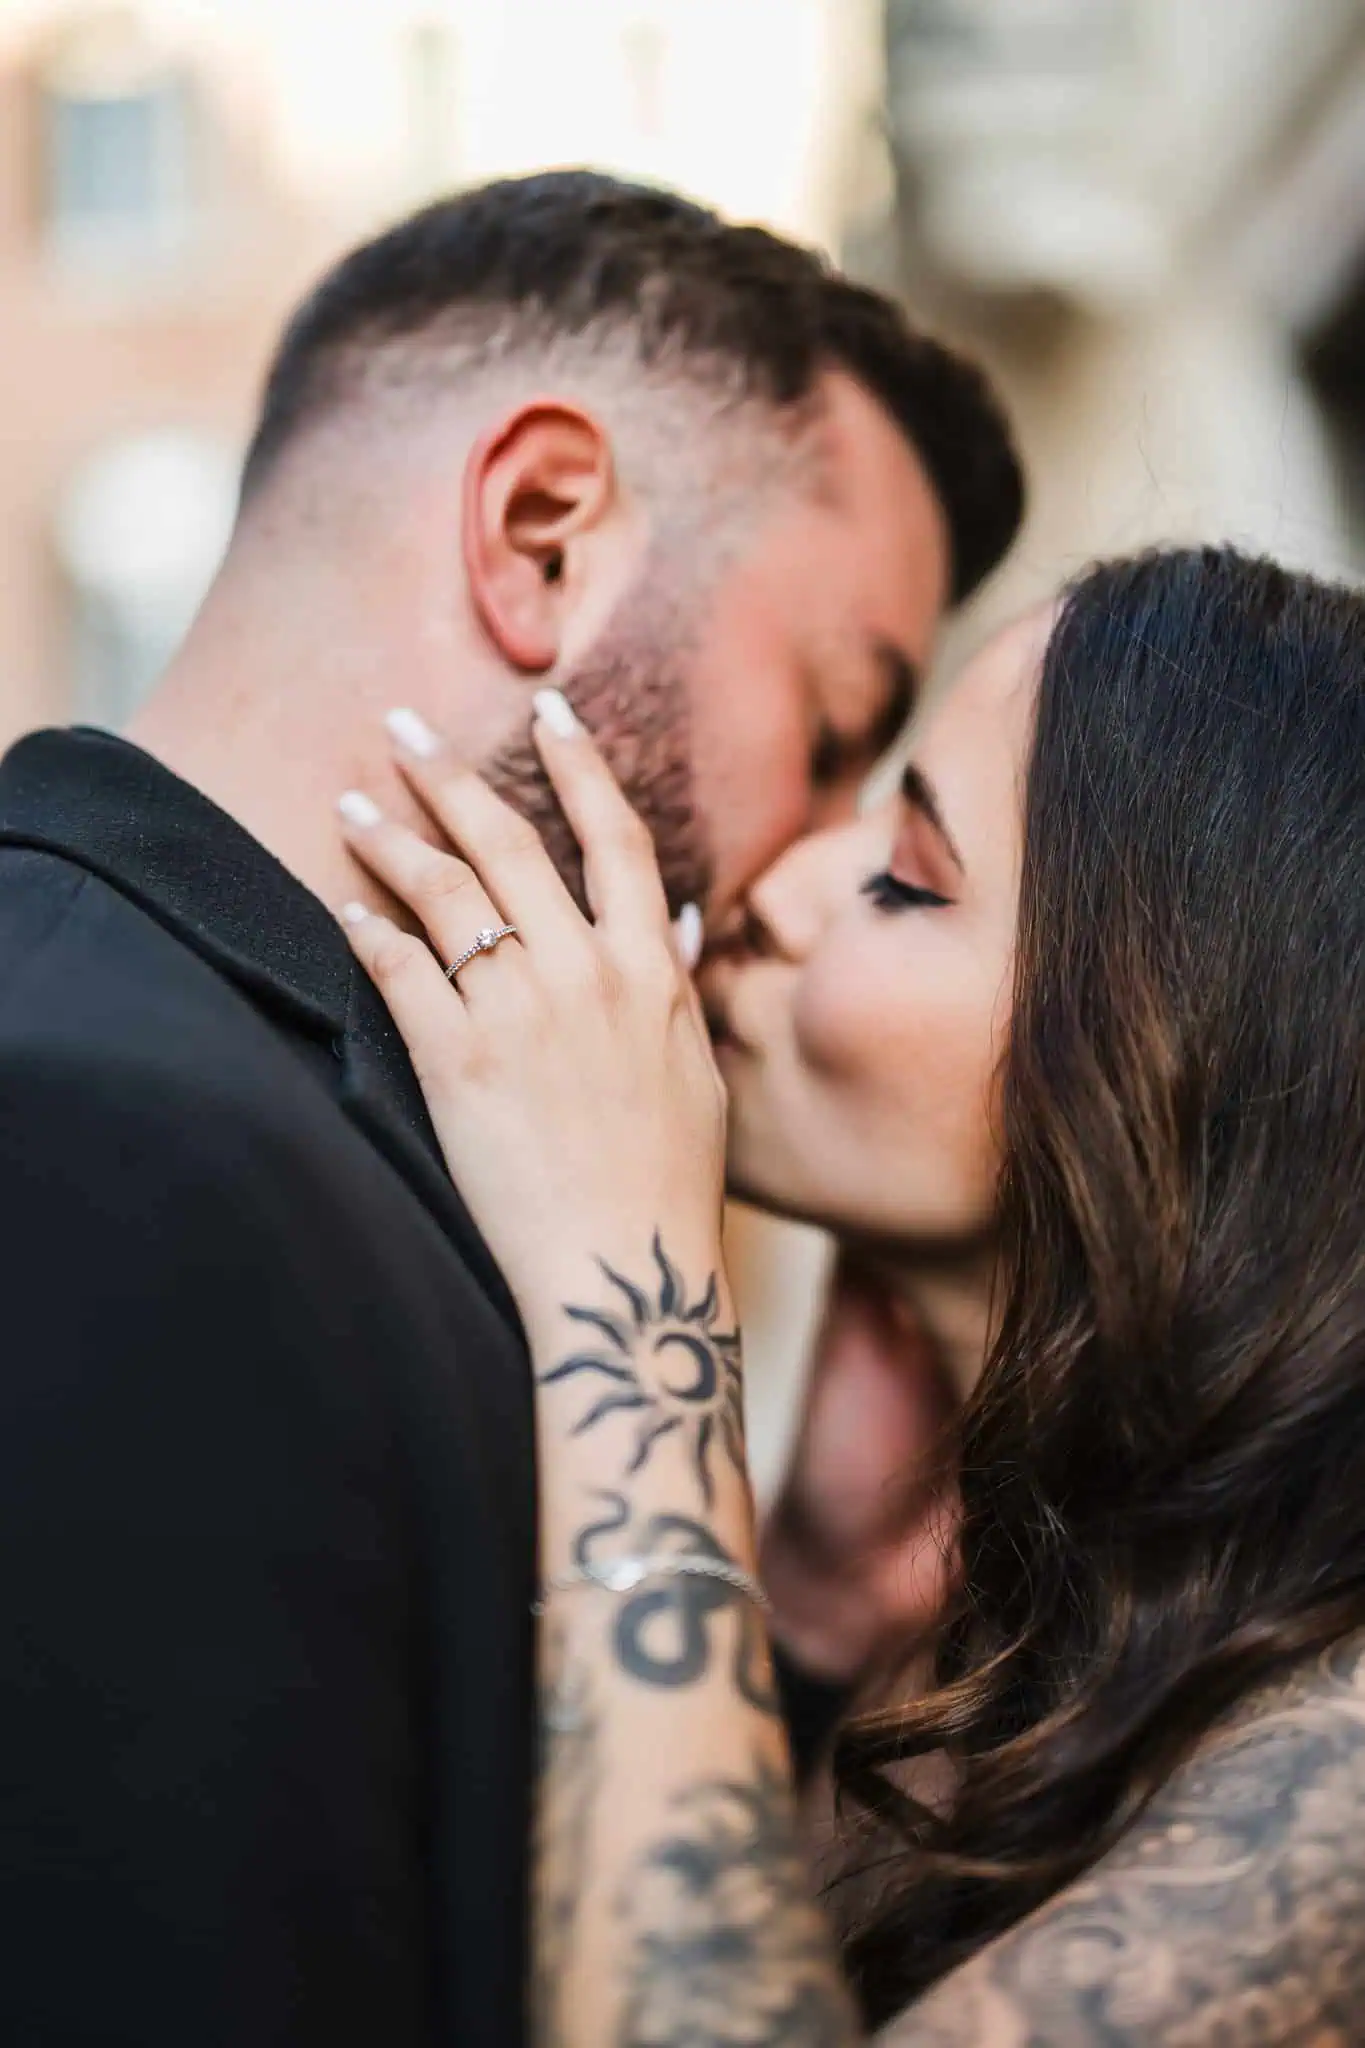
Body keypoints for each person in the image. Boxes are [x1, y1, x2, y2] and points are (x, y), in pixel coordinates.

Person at [0, 173, 1021, 2046]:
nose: (805, 869)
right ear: (543, 535)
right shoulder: (90, 1136)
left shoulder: (346, 1139)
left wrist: (793, 1629)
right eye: (827, 727)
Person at [345, 543, 1365, 2043]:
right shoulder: (997, 1624)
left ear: (1165, 1079)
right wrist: (816, 1607)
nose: (780, 885)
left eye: (906, 876)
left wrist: (628, 1299)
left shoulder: (1337, 1782)